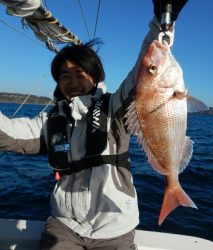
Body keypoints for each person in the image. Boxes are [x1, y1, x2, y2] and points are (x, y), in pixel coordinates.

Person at [0, 1, 187, 249]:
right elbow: (9, 134)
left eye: (80, 74)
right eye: (65, 76)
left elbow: (140, 72)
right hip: (64, 225)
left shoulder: (114, 108)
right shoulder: (49, 121)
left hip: (116, 227)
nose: (73, 81)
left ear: (95, 77)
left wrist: (162, 20)